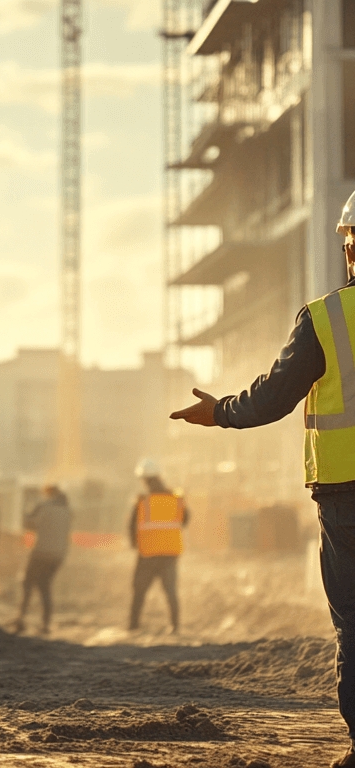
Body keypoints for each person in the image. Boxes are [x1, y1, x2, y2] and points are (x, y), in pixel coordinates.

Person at [170, 190, 355, 768]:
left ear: (352, 247)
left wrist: (220, 409)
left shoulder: (327, 318)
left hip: (347, 495)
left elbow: (274, 398)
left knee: (354, 616)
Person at [127, 458, 189, 634]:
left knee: (139, 592)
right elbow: (184, 520)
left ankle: (133, 626)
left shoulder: (142, 501)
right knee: (171, 592)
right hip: (170, 552)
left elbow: (132, 526)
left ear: (145, 480)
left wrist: (135, 544)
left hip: (147, 553)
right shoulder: (176, 498)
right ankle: (175, 626)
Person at [13, 484, 72, 635]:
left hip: (41, 552)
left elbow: (28, 524)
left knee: (27, 583)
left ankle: (20, 619)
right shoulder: (67, 510)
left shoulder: (43, 507)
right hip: (58, 555)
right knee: (45, 586)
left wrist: (26, 506)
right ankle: (45, 623)